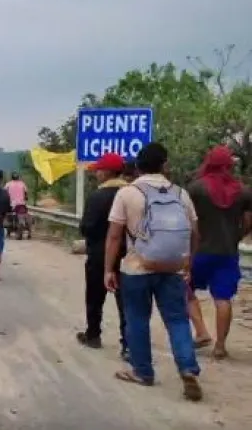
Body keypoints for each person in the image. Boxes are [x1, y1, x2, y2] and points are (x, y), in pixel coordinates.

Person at [104, 142, 202, 401]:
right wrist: (187, 263)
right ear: (165, 165)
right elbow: (194, 233)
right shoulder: (181, 194)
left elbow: (114, 237)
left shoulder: (127, 193)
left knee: (137, 319)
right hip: (172, 269)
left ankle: (143, 372)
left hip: (137, 268)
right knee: (178, 320)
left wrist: (108, 270)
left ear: (137, 166)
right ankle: (187, 367)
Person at [185, 145, 252, 360]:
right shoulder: (243, 191)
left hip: (199, 250)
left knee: (183, 288)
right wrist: (238, 236)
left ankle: (202, 332)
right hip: (228, 252)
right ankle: (221, 346)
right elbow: (249, 220)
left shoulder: (196, 188)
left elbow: (188, 220)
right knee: (223, 298)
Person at [76, 153, 129, 360]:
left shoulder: (98, 197)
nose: (96, 173)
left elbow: (86, 227)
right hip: (127, 255)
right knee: (125, 302)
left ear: (107, 172)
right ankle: (128, 343)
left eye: (99, 170)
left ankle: (93, 335)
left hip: (99, 254)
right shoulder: (132, 193)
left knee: (95, 297)